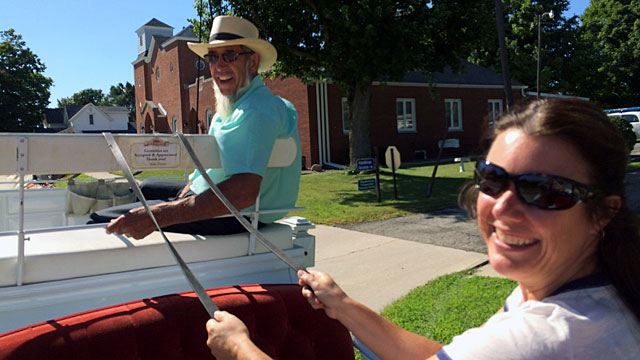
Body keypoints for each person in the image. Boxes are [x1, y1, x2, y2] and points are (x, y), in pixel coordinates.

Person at [205, 98, 640, 359]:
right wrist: (343, 305)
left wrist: (239, 347)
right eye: (492, 178)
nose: (504, 206)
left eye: (545, 191)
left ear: (604, 212)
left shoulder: (538, 340)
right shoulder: (599, 296)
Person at [91, 16, 301, 239]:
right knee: (146, 187)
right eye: (212, 57)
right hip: (224, 198)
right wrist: (190, 185)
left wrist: (157, 215)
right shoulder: (250, 104)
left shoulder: (256, 110)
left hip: (237, 214)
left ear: (252, 62)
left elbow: (243, 193)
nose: (219, 66)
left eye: (229, 56)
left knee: (99, 221)